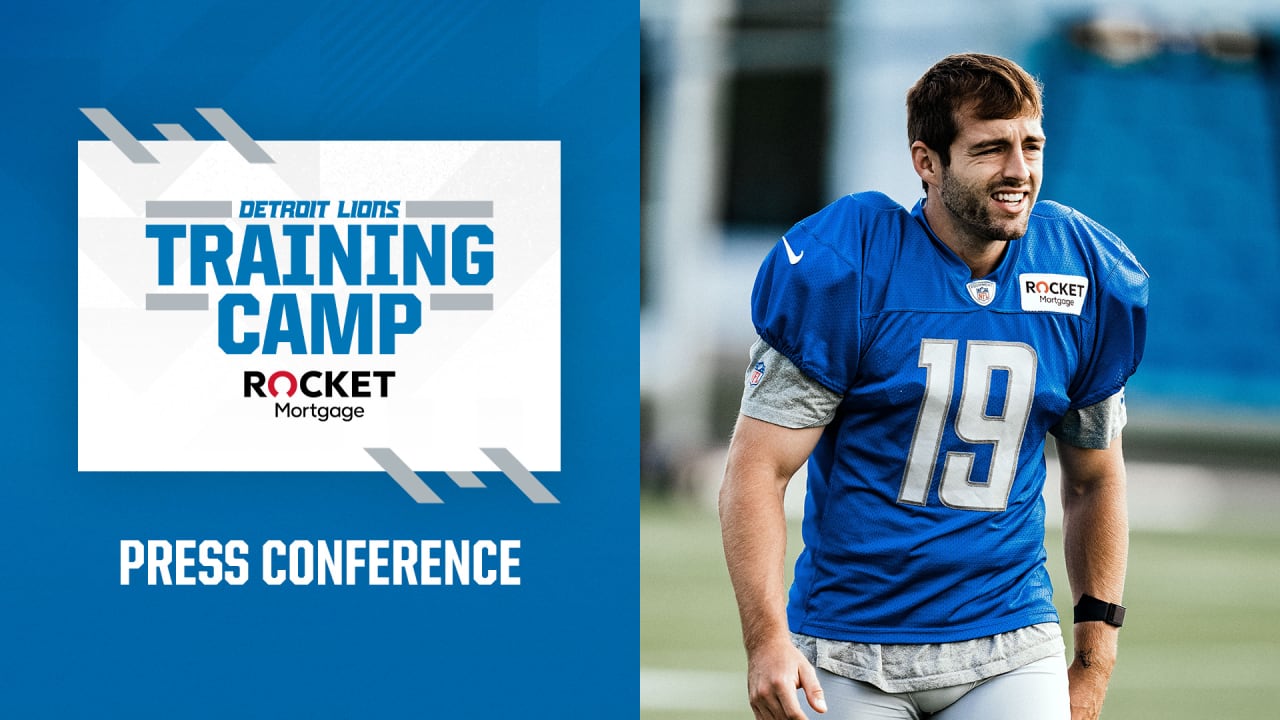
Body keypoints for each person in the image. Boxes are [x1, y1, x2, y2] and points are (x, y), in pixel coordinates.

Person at [719, 52, 1147, 720]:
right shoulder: (852, 265)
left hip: (1009, 639)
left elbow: (1095, 479)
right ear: (927, 161)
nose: (1019, 171)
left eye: (1030, 145)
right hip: (848, 646)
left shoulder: (1079, 274)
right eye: (990, 149)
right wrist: (768, 639)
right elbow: (757, 471)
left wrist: (1094, 662)